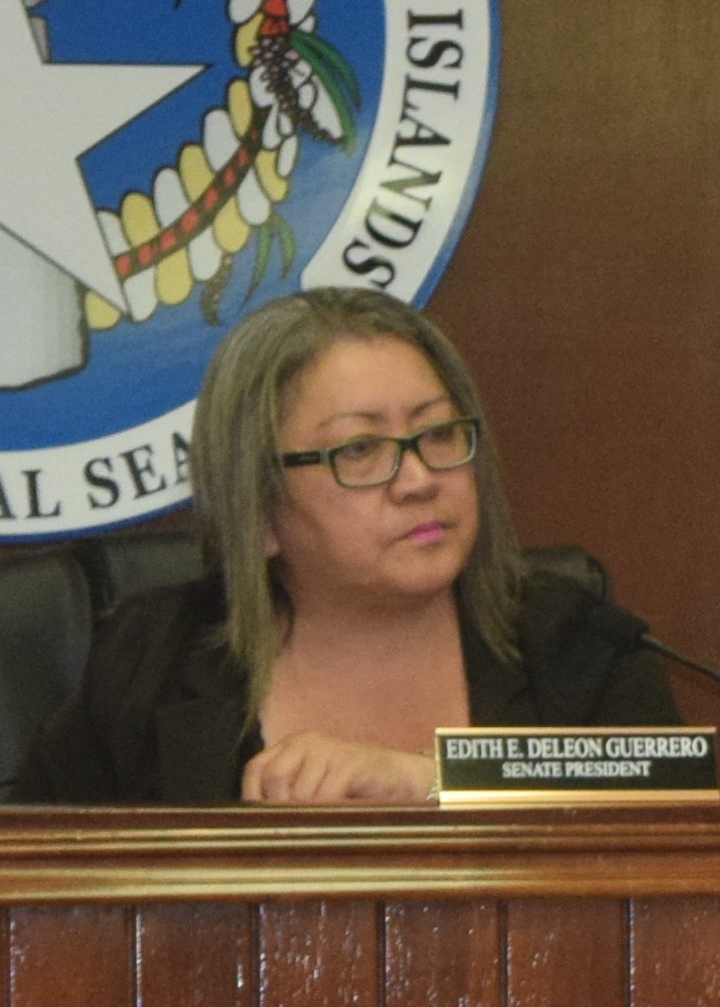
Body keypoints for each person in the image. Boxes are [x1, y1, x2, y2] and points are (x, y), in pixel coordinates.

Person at [14, 289, 675, 804]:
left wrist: (425, 781)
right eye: (360, 449)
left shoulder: (575, 642)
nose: (419, 481)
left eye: (439, 434)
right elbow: (34, 877)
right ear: (261, 510)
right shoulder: (151, 659)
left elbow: (668, 814)